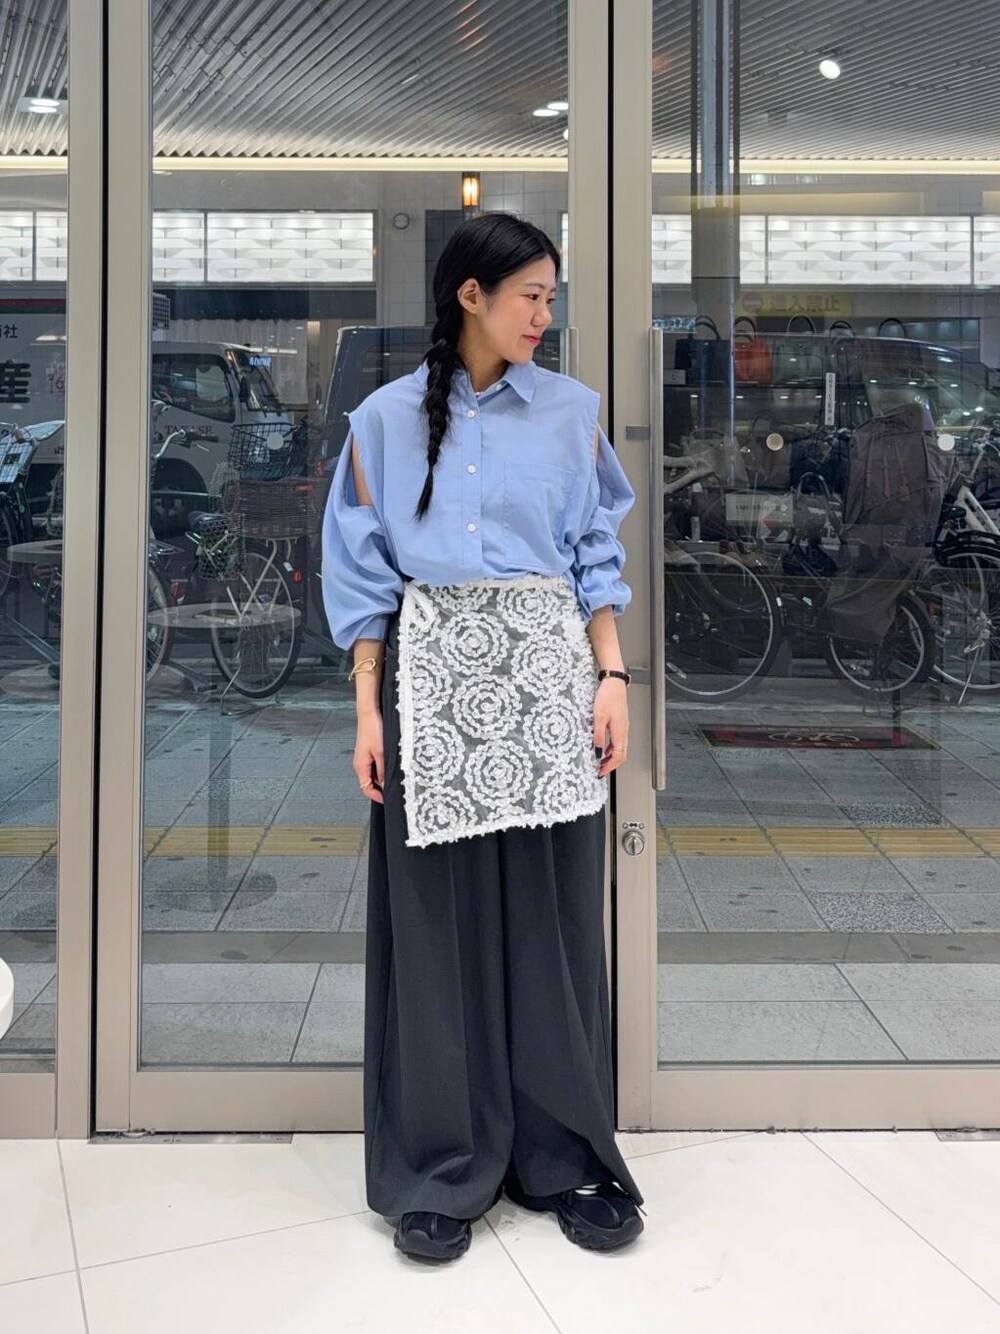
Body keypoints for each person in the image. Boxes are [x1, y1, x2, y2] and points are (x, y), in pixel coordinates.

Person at [321, 211, 645, 1264]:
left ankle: (565, 1156)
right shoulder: (381, 420)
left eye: (551, 297)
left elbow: (593, 553)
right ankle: (440, 1166)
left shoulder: (571, 412)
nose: (546, 316)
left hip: (548, 679)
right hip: (431, 678)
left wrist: (612, 676)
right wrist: (367, 709)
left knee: (553, 921)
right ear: (472, 294)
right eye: (531, 297)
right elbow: (363, 573)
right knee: (436, 927)